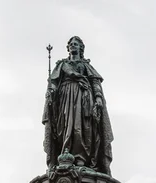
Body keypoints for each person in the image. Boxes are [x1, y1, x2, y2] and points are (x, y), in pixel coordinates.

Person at [42, 36, 114, 175]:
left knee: (82, 127)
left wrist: (98, 97)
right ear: (68, 48)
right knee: (64, 126)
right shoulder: (62, 65)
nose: (73, 46)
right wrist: (51, 90)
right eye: (71, 44)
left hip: (83, 97)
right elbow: (54, 83)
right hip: (65, 98)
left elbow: (95, 82)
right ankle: (64, 153)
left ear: (81, 48)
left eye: (76, 44)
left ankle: (81, 158)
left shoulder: (85, 66)